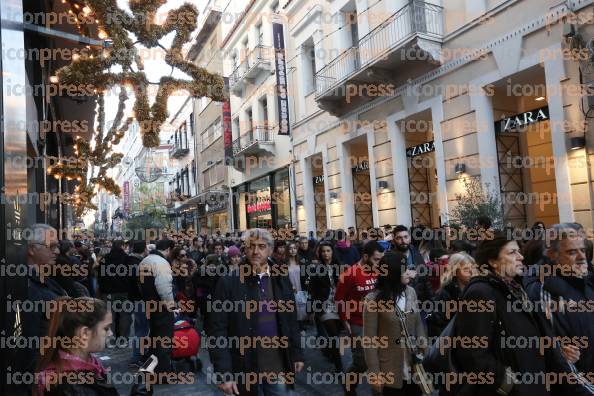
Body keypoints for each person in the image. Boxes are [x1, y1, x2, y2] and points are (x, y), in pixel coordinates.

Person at [209, 229, 304, 396]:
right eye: (250, 246)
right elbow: (217, 331)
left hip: (277, 366)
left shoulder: (281, 278)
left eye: (261, 246)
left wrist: (296, 353)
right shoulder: (229, 282)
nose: (255, 251)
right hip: (244, 368)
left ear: (270, 249)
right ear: (244, 249)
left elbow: (290, 320)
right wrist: (224, 373)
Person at [454, 233, 549, 396]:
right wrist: (511, 386)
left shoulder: (515, 288)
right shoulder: (480, 292)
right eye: (512, 253)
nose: (520, 257)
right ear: (492, 261)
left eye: (519, 252)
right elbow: (473, 353)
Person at [35, 297, 153, 396]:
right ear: (85, 333)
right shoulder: (75, 387)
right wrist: (142, 386)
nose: (110, 333)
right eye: (106, 328)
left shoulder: (80, 368)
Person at [530, 224, 594, 374]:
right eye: (572, 252)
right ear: (552, 255)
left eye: (583, 250)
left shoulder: (588, 282)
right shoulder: (545, 292)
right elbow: (560, 358)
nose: (581, 257)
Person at [363, 252, 427, 395]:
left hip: (413, 363)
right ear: (392, 274)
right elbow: (369, 340)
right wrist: (375, 373)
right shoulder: (373, 300)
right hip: (390, 367)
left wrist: (425, 351)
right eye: (404, 270)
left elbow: (418, 324)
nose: (409, 273)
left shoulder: (411, 292)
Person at [335, 240, 385, 395]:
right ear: (365, 256)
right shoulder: (349, 274)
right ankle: (349, 383)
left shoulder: (380, 271)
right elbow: (339, 299)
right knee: (362, 362)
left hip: (379, 321)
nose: (379, 263)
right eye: (376, 259)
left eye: (381, 260)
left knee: (379, 361)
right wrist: (345, 322)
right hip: (358, 323)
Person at [138, 239, 175, 376]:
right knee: (163, 340)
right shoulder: (161, 263)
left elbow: (140, 284)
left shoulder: (145, 260)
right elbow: (164, 288)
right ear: (168, 249)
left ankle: (149, 369)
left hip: (151, 305)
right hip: (161, 308)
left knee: (154, 338)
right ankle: (162, 373)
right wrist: (171, 306)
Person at [308, 241, 344, 372]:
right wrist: (311, 309)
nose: (326, 254)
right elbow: (312, 290)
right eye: (323, 251)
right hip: (325, 305)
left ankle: (330, 351)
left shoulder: (340, 267)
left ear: (332, 252)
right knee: (333, 335)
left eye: (328, 251)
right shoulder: (316, 269)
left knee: (338, 334)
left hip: (341, 304)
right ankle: (339, 367)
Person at [427, 252, 477, 337]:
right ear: (455, 272)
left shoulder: (475, 290)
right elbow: (437, 325)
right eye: (466, 269)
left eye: (472, 268)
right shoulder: (446, 294)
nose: (471, 272)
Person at [391, 225, 434, 304]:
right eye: (399, 238)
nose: (403, 240)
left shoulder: (417, 254)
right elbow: (386, 283)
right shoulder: (389, 258)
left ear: (410, 238)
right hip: (401, 303)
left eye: (405, 237)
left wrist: (431, 301)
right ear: (394, 240)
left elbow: (426, 280)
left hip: (419, 301)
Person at [98, 240, 132, 338]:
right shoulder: (127, 259)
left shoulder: (105, 259)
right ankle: (123, 338)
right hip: (124, 291)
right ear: (122, 246)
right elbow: (131, 276)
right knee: (125, 316)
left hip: (108, 291)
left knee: (109, 315)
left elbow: (100, 275)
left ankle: (111, 338)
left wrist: (102, 288)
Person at [126, 240, 149, 367]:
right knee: (142, 330)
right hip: (140, 300)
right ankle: (138, 358)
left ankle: (139, 356)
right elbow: (140, 284)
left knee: (140, 329)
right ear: (143, 249)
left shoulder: (130, 261)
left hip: (135, 299)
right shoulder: (137, 263)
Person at [286, 241, 309, 331]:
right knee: (294, 305)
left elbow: (305, 274)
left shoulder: (301, 261)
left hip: (301, 286)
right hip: (291, 287)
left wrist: (307, 281)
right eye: (290, 249)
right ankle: (295, 324)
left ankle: (301, 324)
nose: (293, 250)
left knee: (301, 305)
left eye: (294, 248)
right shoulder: (284, 263)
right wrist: (290, 286)